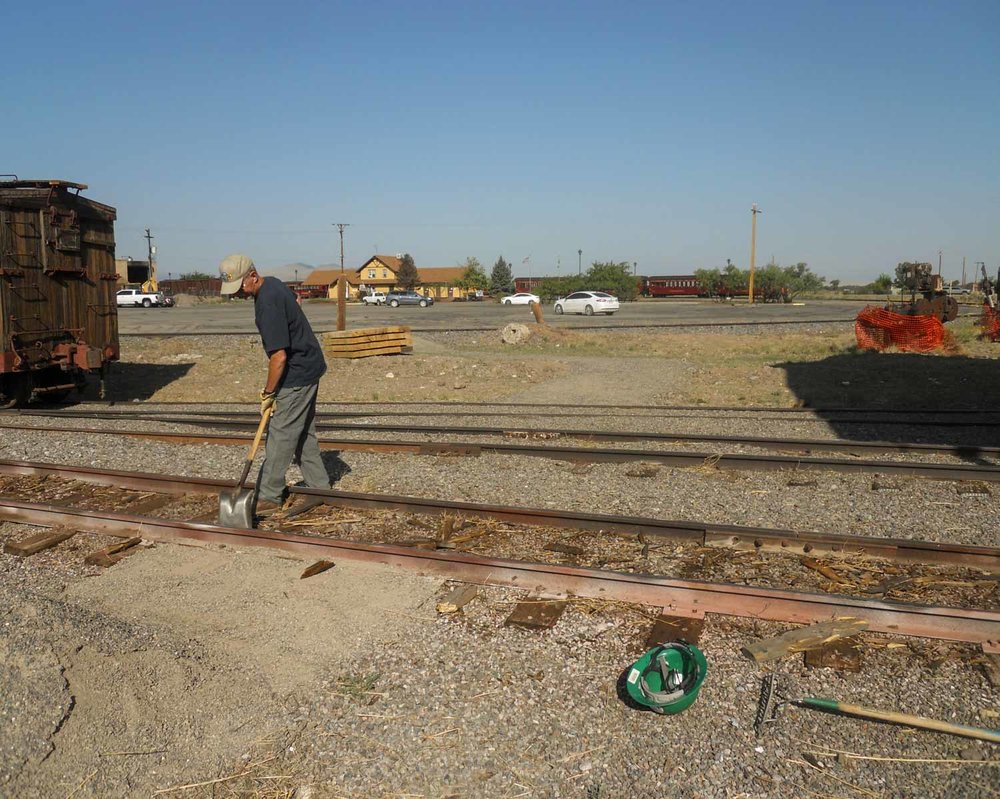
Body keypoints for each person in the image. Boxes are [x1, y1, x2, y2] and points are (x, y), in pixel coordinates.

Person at [219, 254, 330, 515]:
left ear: (253, 276)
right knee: (302, 433)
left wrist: (269, 393)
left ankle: (268, 496)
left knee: (280, 435)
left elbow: (278, 357)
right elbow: (295, 301)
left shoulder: (267, 302)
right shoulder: (275, 284)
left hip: (297, 373)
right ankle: (320, 487)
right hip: (310, 365)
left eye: (240, 288)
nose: (238, 295)